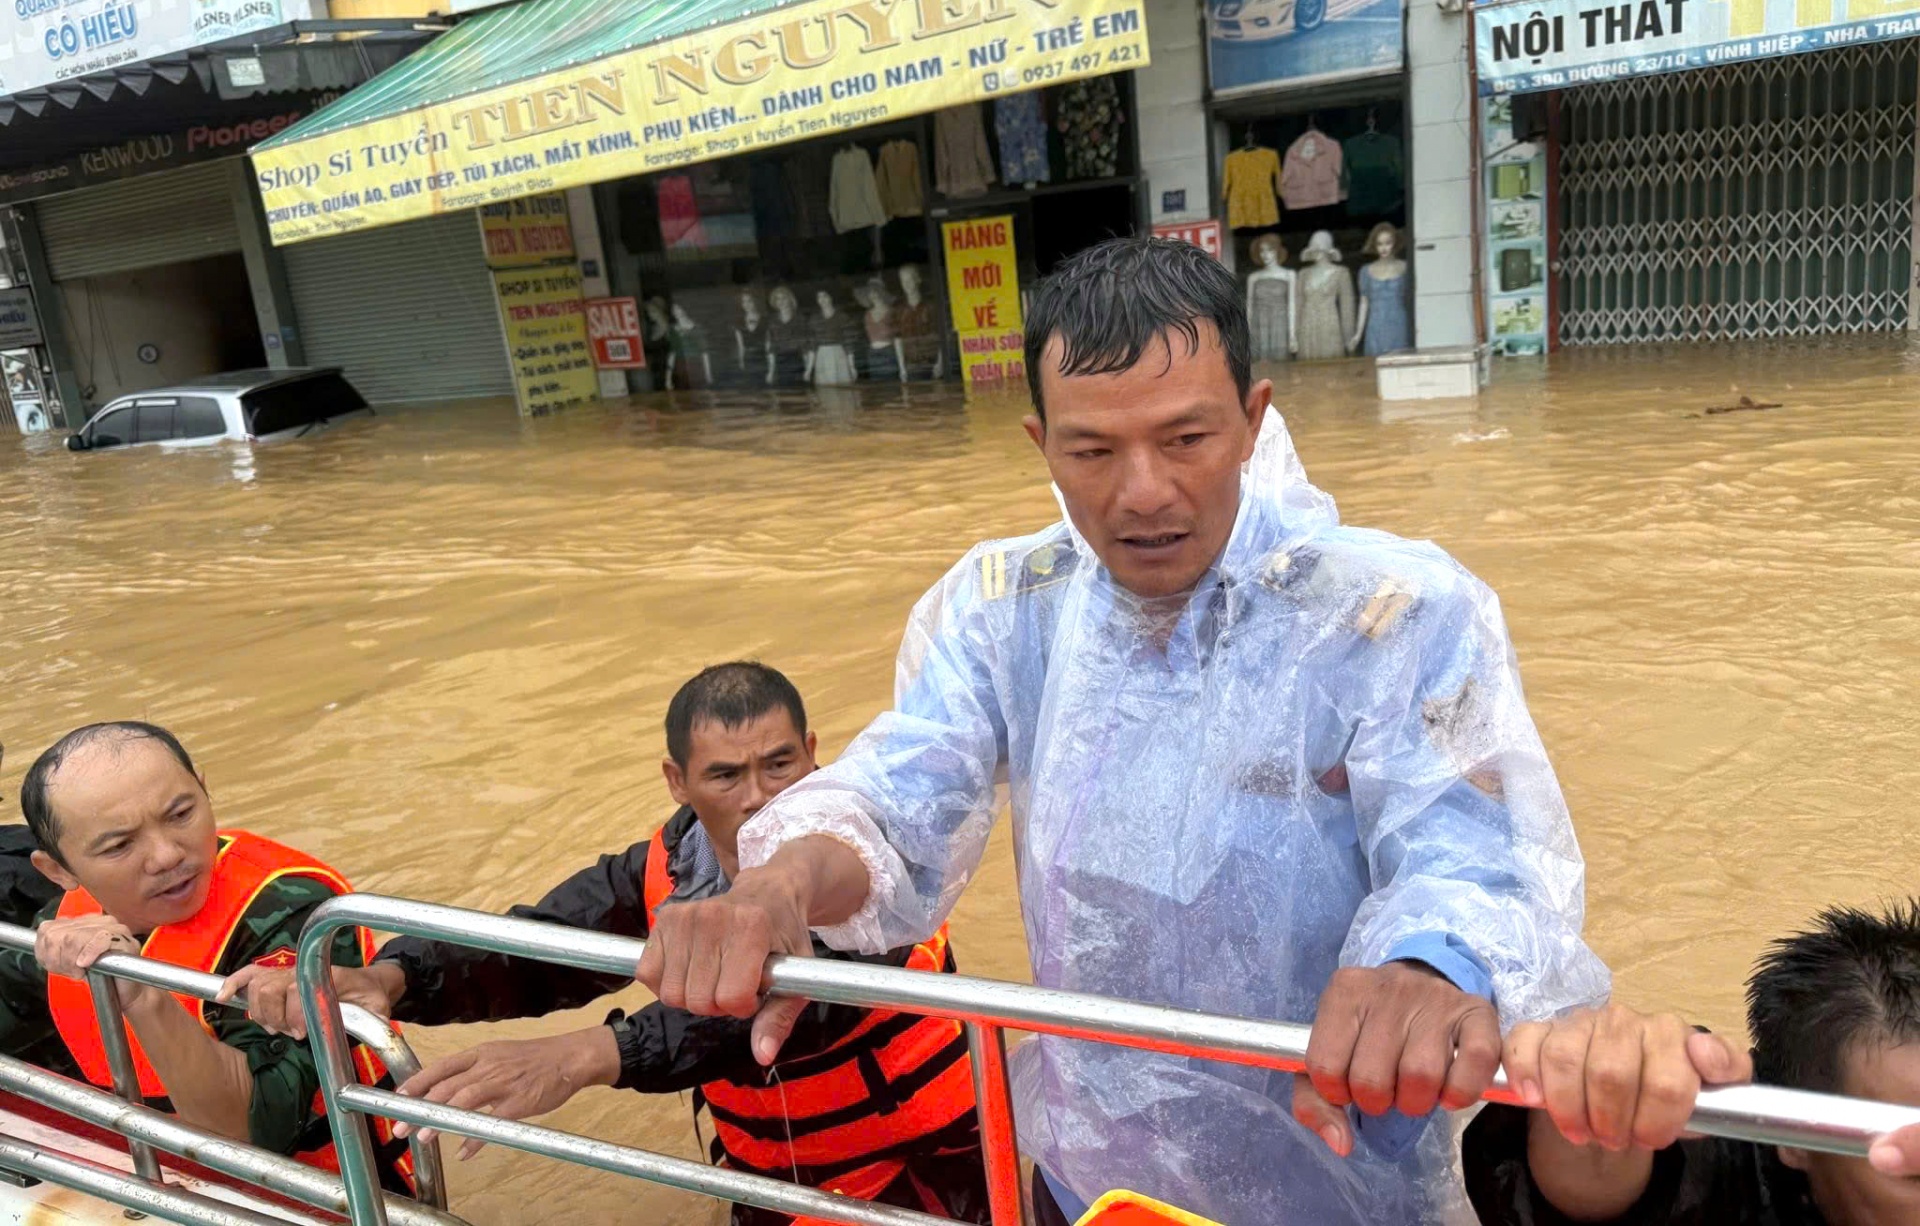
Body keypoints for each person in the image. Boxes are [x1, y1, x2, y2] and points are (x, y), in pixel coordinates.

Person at [633, 237, 1609, 1224]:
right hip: (1094, 1177)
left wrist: (1424, 965)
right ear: (1041, 442)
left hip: (1332, 1178)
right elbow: (899, 794)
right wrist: (777, 882)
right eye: (1093, 450)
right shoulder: (1008, 606)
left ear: (1252, 417)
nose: (1142, 490)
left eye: (1185, 438)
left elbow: (1478, 853)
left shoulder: (1392, 611)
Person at [229, 662, 989, 1226]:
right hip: (769, 1173)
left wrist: (581, 1057)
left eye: (780, 765)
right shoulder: (662, 866)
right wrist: (395, 977)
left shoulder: (873, 874)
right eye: (725, 775)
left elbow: (741, 1016)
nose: (759, 796)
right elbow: (539, 944)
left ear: (816, 754)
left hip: (919, 1175)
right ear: (677, 782)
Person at [0, 722, 413, 1190]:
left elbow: (251, 1133)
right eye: (119, 845)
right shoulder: (64, 926)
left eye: (180, 814)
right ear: (58, 870)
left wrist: (141, 995)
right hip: (158, 1174)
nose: (166, 855)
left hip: (330, 1196)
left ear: (204, 787)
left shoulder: (292, 913)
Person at [1464, 899, 1920, 1225]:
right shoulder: (1736, 1157)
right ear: (1798, 1142)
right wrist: (1599, 1093)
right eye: (1914, 1173)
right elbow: (1607, 1187)